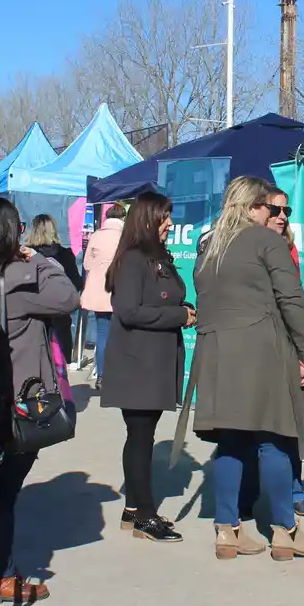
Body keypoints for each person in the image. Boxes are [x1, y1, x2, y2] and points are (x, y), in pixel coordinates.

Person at [179, 177, 304, 561]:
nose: (273, 214)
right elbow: (292, 300)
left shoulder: (209, 246)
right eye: (268, 207)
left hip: (215, 350)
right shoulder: (266, 242)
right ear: (250, 207)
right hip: (261, 346)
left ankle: (228, 531)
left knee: (231, 442)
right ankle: (285, 531)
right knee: (273, 438)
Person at [0, 197, 78, 605]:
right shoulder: (24, 277)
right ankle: (1, 574)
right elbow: (68, 297)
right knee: (4, 495)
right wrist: (40, 260)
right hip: (19, 403)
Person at [98, 191, 190, 543]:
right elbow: (129, 311)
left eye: (170, 216)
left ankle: (134, 509)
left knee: (142, 436)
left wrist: (183, 307)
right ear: (147, 220)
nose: (170, 224)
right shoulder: (134, 259)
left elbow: (167, 296)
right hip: (137, 364)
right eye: (164, 217)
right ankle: (144, 516)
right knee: (140, 437)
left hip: (154, 362)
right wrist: (179, 315)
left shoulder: (156, 257)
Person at [260, 186, 304, 519]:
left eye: (286, 211)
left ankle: (295, 488)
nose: (282, 216)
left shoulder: (289, 248)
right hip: (258, 343)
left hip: (287, 341)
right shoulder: (248, 247)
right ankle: (250, 492)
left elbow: (293, 302)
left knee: (292, 420)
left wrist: (302, 349)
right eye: (275, 209)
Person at [25, 213, 82, 366]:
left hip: (33, 317)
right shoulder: (65, 255)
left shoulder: (26, 254)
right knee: (60, 368)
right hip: (59, 314)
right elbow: (76, 283)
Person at [79, 203, 124, 385]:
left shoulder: (96, 235)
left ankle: (101, 375)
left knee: (102, 333)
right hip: (120, 290)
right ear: (122, 218)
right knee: (120, 334)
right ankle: (117, 374)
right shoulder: (125, 237)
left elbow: (87, 264)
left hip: (99, 291)